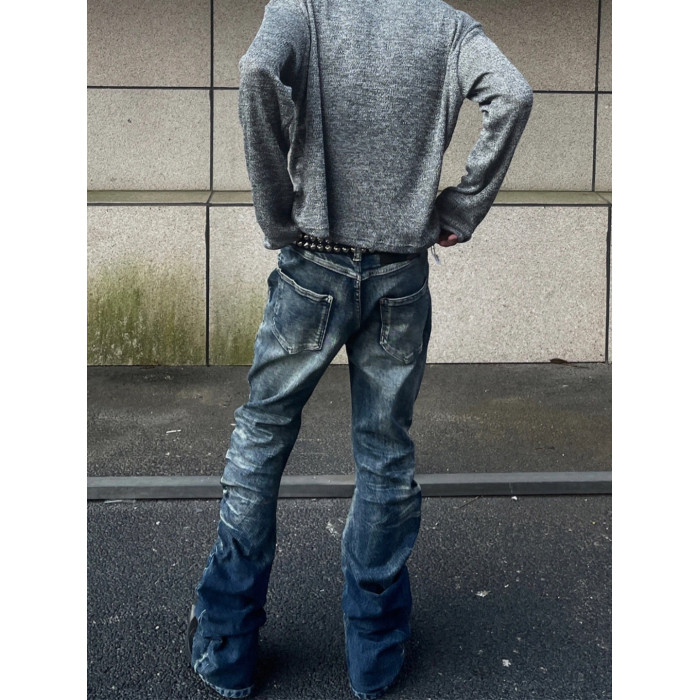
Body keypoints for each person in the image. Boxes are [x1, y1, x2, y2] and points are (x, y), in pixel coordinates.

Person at [187, 1, 532, 698]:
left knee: (262, 437)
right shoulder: (447, 26)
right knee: (384, 451)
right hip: (400, 273)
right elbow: (513, 94)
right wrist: (462, 207)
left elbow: (256, 71)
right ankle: (374, 654)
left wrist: (275, 212)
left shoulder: (303, 9)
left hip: (312, 266)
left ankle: (227, 645)